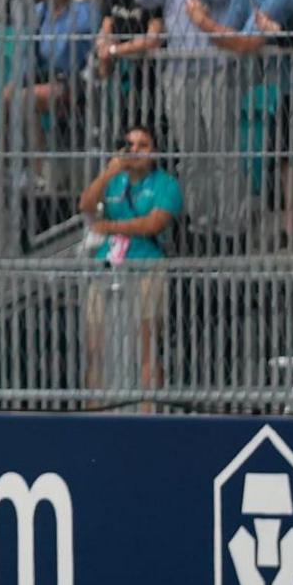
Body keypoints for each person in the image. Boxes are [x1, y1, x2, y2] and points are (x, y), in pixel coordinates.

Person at [80, 125, 180, 396]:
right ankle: (96, 413)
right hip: (108, 266)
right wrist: (108, 172)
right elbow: (86, 205)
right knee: (95, 348)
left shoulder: (166, 184)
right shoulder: (114, 181)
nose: (134, 150)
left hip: (146, 265)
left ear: (154, 151)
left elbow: (153, 223)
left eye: (142, 145)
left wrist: (110, 226)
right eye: (129, 144)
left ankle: (150, 413)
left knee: (144, 346)